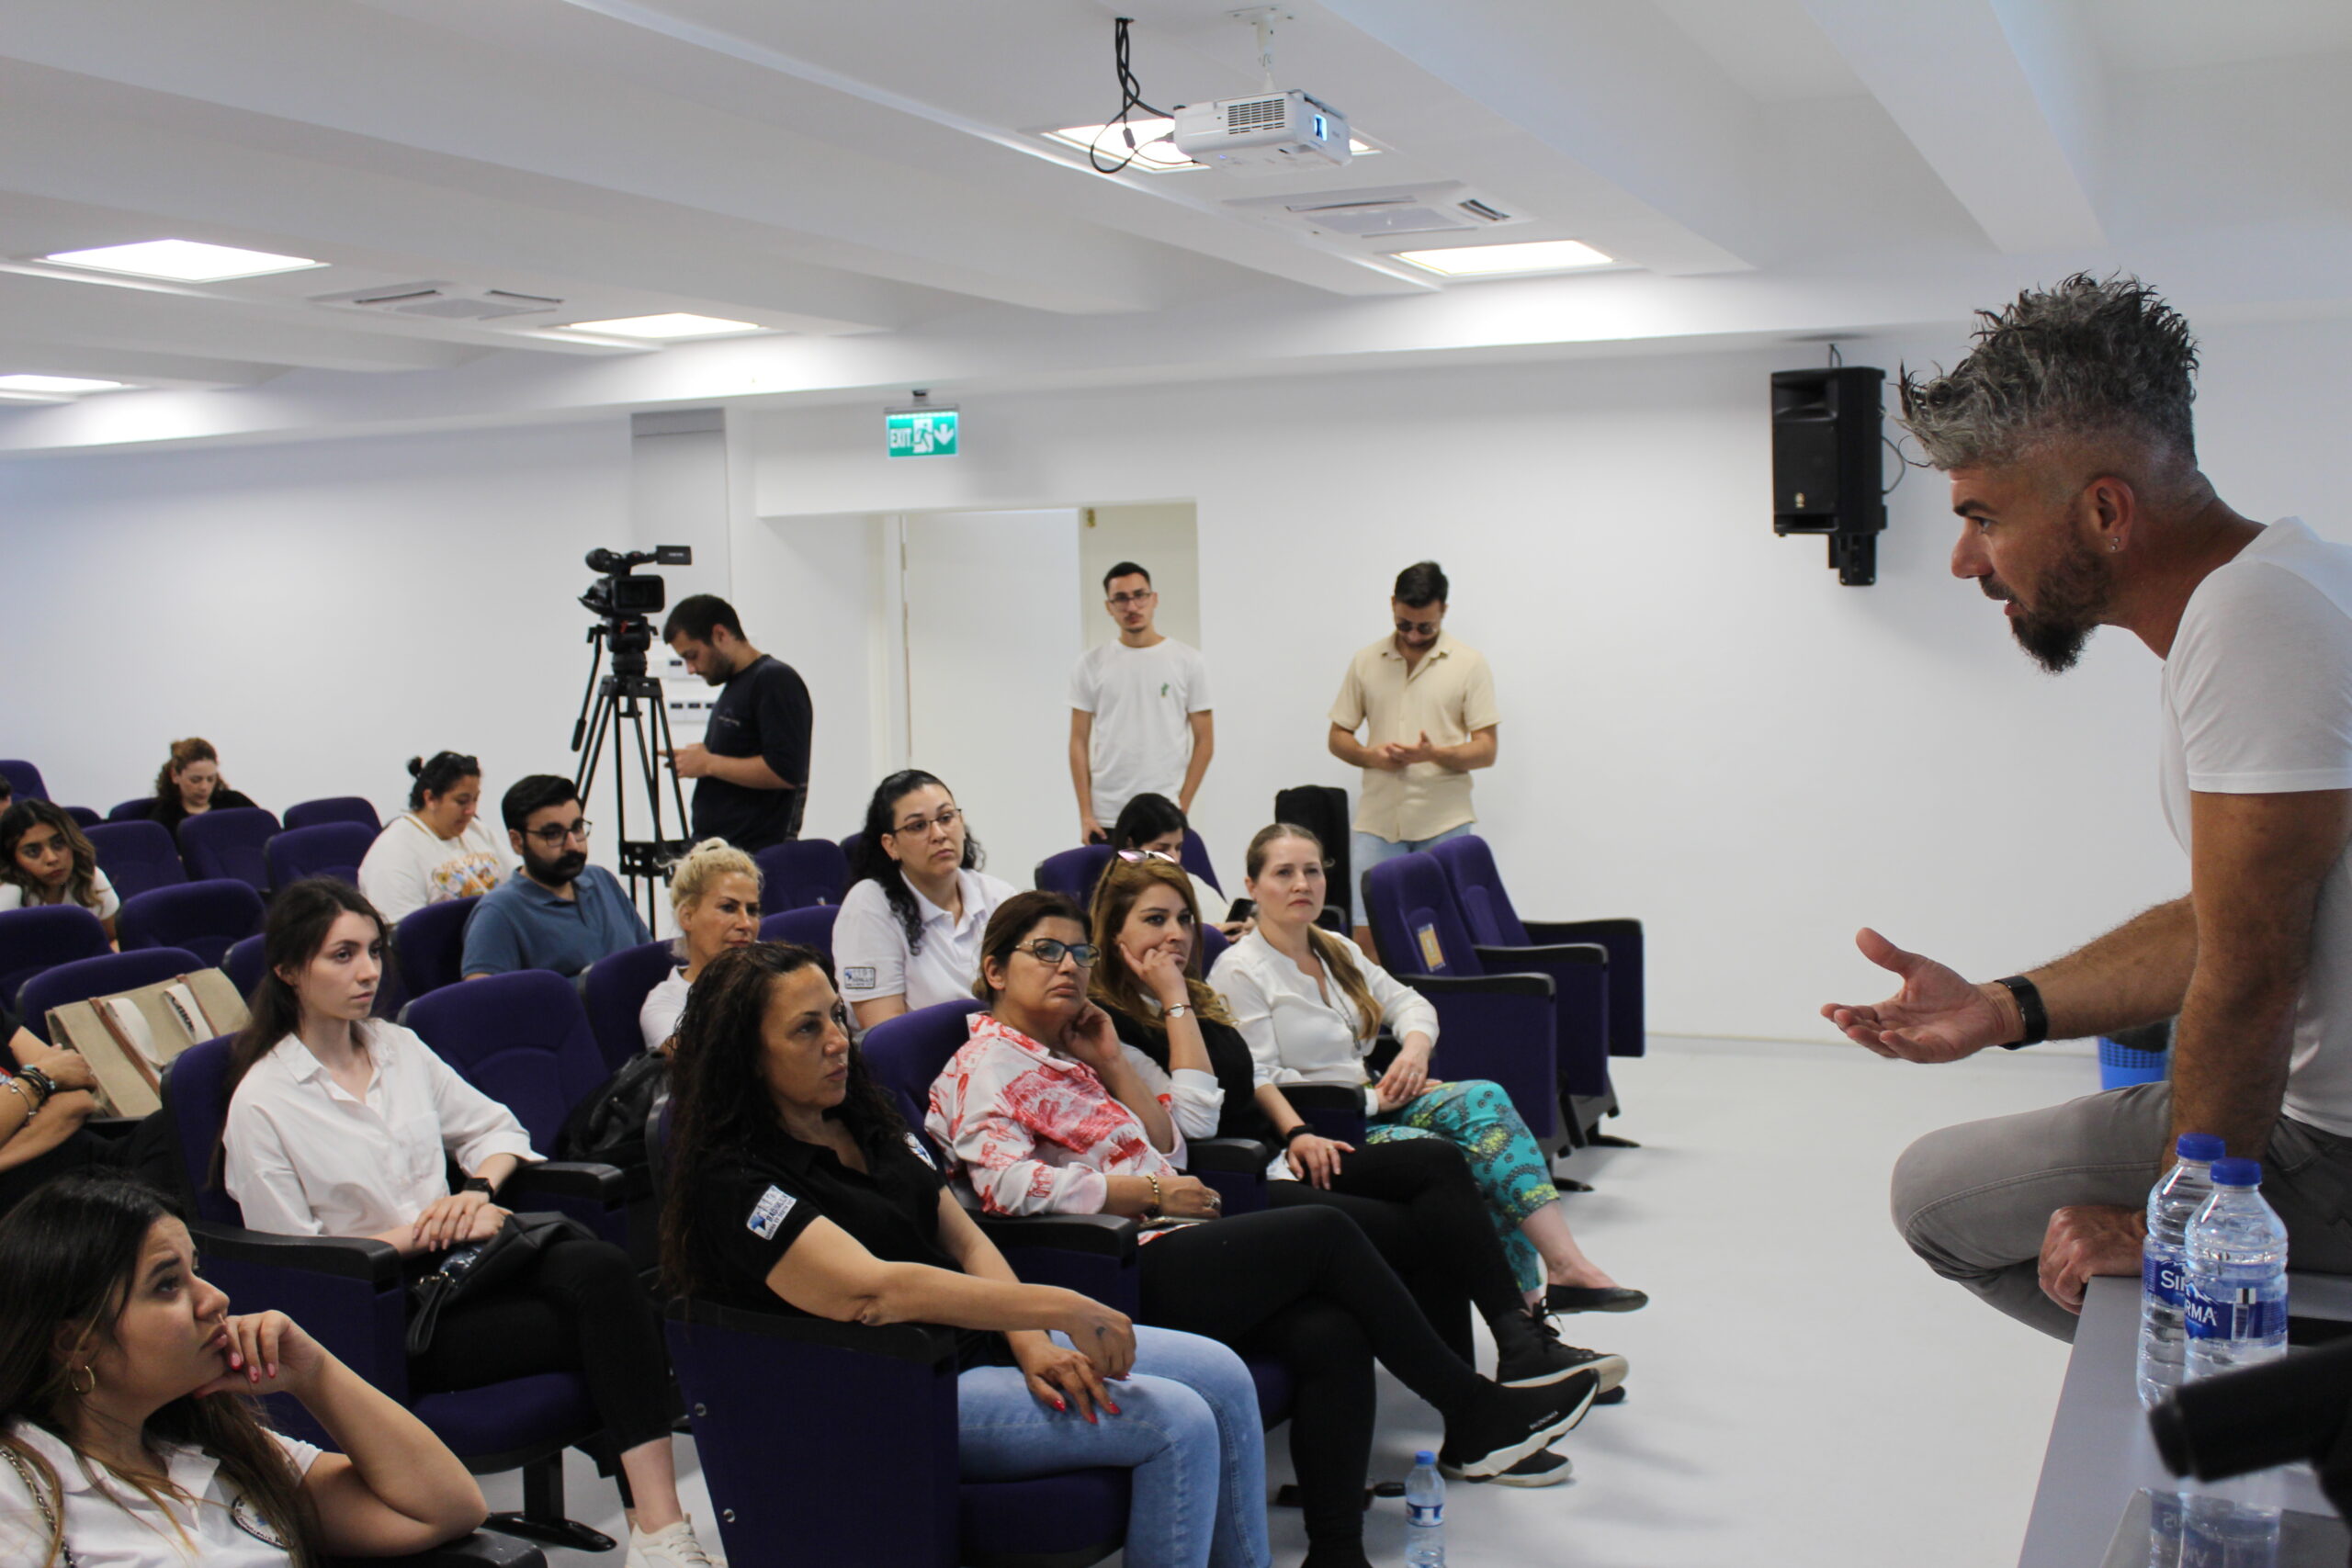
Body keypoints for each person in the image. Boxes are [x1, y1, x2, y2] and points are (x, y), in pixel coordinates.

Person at [1817, 276, 2352, 1340]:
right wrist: (2003, 1008)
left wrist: (2181, 1227)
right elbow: (2232, 916)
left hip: (2332, 1151)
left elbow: (2251, 971)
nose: (1965, 560)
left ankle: (2277, 1398)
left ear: (2106, 512)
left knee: (1937, 1199)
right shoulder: (2299, 578)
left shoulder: (2250, 620)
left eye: (1983, 517)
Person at [929, 893, 1600, 1567]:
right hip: (1103, 1270)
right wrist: (1149, 1193)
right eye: (1046, 951)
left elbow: (1169, 1147)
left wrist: (1112, 1063)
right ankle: (1474, 1410)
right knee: (1325, 1232)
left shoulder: (1068, 1053)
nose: (1068, 966)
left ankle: (1337, 1554)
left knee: (1330, 1331)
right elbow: (1006, 1186)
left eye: (1080, 952)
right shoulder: (987, 1064)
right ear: (995, 970)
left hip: (1164, 1235)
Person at [662, 942, 1272, 1568]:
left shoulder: (860, 1115)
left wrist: (1031, 1341)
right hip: (893, 1388)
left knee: (1224, 1375)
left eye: (837, 1016)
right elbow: (873, 1291)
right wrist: (1060, 1307)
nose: (839, 1041)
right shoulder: (734, 1180)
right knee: (1177, 1423)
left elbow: (966, 1239)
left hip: (980, 1342)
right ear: (747, 1056)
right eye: (806, 1028)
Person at [221, 879, 713, 1566]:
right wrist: (424, 1231)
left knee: (603, 1269)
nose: (368, 972)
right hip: (383, 1311)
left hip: (466, 1267)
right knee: (614, 1321)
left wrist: (477, 1190)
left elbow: (496, 1130)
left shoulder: (396, 1046)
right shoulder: (263, 1102)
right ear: (288, 970)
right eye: (342, 955)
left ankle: (659, 1530)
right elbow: (297, 1265)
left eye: (373, 951)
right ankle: (659, 1531)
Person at [1087, 855, 1626, 1472]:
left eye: (1184, 918)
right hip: (1225, 1181)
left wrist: (1295, 1128)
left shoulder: (1202, 992)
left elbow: (1254, 1075)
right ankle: (1478, 1417)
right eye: (1154, 919)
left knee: (1438, 1164)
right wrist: (1175, 1002)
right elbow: (1193, 1126)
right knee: (1425, 1224)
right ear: (1113, 931)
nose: (1176, 935)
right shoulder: (1119, 1020)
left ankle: (1516, 1348)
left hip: (1276, 1154)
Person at [1213, 826, 1645, 1317]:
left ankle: (1565, 1269)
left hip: (1374, 1096)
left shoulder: (1334, 947)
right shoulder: (1240, 970)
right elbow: (1259, 1076)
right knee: (1465, 1157)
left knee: (1484, 1099)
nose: (1301, 884)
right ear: (1252, 886)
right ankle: (1530, 1318)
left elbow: (1410, 1003)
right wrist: (1374, 1100)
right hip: (1327, 1124)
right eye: (1283, 873)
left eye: (1312, 871)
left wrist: (1414, 1052)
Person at [0, 1170, 489, 1566]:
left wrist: (316, 1374)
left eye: (196, 1271)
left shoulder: (211, 1445)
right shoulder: (18, 1488)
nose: (216, 1299)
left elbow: (444, 1509)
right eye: (167, 1285)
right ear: (75, 1343)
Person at [1325, 562, 1498, 932]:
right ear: (1392, 604)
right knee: (1367, 931)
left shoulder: (1470, 664)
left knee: (1443, 934)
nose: (1414, 635)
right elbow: (1337, 736)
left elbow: (1486, 750)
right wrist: (1369, 757)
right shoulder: (1366, 661)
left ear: (1443, 611)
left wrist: (1434, 754)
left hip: (1444, 823)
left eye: (1425, 627)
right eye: (1404, 624)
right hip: (1378, 821)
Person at [834, 771, 1017, 1029]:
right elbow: (884, 1031)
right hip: (921, 1053)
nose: (938, 834)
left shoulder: (998, 896)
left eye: (946, 818)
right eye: (918, 826)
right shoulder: (869, 905)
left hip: (1003, 1045)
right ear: (890, 845)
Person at [1069, 563, 1214, 845]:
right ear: (1109, 607)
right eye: (1121, 599)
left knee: (1162, 875)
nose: (1132, 606)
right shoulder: (1090, 664)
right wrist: (1086, 813)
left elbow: (1205, 740)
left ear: (1154, 598)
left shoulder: (1188, 661)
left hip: (1165, 810)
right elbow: (1078, 741)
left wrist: (1182, 805)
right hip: (1108, 814)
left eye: (1139, 595)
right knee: (1114, 875)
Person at [662, 594, 814, 853]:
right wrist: (702, 758)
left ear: (720, 634)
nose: (690, 668)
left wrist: (708, 763)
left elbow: (785, 771)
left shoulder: (774, 680)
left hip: (752, 856)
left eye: (692, 655)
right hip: (720, 850)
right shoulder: (738, 683)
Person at [459, 775, 650, 981]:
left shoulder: (602, 880)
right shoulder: (498, 913)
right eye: (553, 834)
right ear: (517, 842)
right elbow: (482, 997)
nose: (573, 845)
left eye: (577, 828)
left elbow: (649, 960)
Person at [356, 751, 513, 927]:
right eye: (462, 801)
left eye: (475, 799)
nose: (471, 810)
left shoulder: (475, 830)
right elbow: (406, 932)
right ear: (430, 798)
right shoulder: (392, 852)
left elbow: (518, 885)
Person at [639, 840, 762, 1052]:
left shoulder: (777, 975)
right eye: (728, 908)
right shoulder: (665, 1004)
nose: (746, 924)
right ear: (687, 916)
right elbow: (699, 1062)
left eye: (752, 910)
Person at [0, 1028, 107, 1218]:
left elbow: (77, 1099)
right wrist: (44, 1076)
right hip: (18, 1206)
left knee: (159, 1131)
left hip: (87, 1163)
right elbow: (60, 1075)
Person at [1109, 794, 1242, 934]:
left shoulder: (1194, 882)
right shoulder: (1122, 896)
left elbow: (1227, 918)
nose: (1175, 859)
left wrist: (1246, 929)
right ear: (1131, 846)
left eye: (1178, 848)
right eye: (1161, 850)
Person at [0, 802, 120, 938]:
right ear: (12, 859)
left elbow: (114, 939)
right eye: (33, 851)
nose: (51, 858)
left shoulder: (89, 876)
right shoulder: (8, 895)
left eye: (59, 843)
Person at [142, 739, 261, 843]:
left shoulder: (236, 803)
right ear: (175, 775)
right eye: (195, 780)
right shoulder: (163, 818)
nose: (204, 787)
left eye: (211, 779)